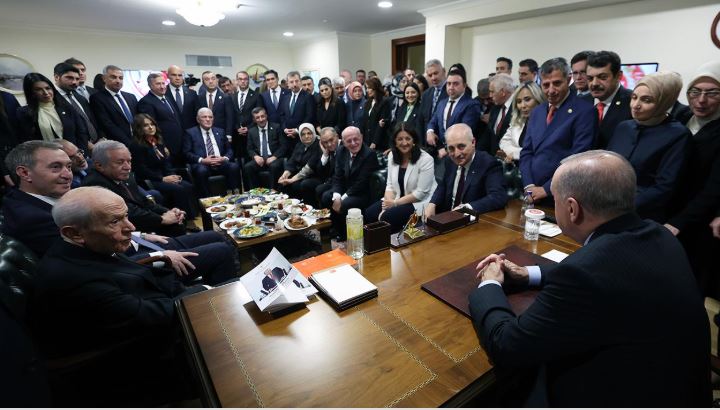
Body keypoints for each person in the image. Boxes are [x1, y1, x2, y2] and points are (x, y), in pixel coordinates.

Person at [470, 150, 710, 407]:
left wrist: (489, 283)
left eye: (555, 199)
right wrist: (529, 273)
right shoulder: (659, 234)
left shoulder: (584, 274)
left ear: (572, 208)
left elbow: (507, 346)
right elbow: (608, 274)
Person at [31, 186, 209, 403]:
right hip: (136, 361)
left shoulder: (88, 248)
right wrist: (207, 291)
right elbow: (157, 317)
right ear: (74, 233)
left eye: (126, 216)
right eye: (115, 221)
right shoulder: (74, 281)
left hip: (153, 312)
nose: (131, 227)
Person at [666, 60, 720, 298]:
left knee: (688, 284)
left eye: (712, 93)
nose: (701, 100)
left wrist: (680, 222)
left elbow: (714, 188)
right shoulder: (681, 117)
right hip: (668, 209)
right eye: (695, 92)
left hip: (697, 220)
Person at [607, 71, 689, 223]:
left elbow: (664, 187)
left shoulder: (677, 135)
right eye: (634, 97)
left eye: (646, 100)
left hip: (643, 215)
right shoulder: (624, 127)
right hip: (606, 204)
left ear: (664, 102)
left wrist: (621, 208)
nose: (636, 105)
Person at [520, 57, 595, 203]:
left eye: (557, 83)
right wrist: (529, 185)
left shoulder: (585, 111)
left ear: (568, 80)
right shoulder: (537, 112)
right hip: (531, 193)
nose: (551, 90)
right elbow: (526, 152)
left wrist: (546, 189)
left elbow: (578, 159)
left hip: (562, 194)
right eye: (546, 85)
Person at [424, 123, 506, 219]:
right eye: (451, 148)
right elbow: (443, 185)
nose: (456, 154)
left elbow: (498, 196)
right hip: (447, 217)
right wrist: (432, 203)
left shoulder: (488, 163)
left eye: (461, 146)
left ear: (473, 142)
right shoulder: (449, 160)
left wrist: (467, 208)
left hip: (471, 221)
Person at [365, 123, 436, 232]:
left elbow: (420, 193)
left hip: (418, 202)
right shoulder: (392, 156)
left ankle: (391, 243)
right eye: (400, 139)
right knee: (370, 213)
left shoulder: (426, 159)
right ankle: (375, 242)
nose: (404, 143)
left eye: (408, 138)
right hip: (397, 198)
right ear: (395, 141)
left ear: (414, 140)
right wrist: (387, 204)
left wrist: (394, 204)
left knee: (387, 217)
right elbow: (390, 185)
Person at [129, 113, 196, 218]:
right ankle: (181, 219)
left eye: (152, 124)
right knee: (179, 189)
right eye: (146, 125)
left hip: (163, 176)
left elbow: (166, 163)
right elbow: (141, 170)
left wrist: (172, 175)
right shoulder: (136, 145)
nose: (151, 127)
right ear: (139, 128)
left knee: (188, 186)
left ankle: (191, 217)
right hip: (150, 179)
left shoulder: (157, 141)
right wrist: (163, 179)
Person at [321, 126, 380, 241]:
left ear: (361, 137)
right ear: (343, 142)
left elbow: (361, 183)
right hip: (347, 189)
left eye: (356, 139)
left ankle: (345, 235)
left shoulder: (369, 154)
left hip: (362, 193)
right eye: (349, 141)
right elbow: (338, 176)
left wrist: (342, 198)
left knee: (345, 203)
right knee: (326, 196)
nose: (353, 143)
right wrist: (337, 196)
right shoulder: (341, 151)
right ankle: (336, 229)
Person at [16, 72, 89, 150]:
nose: (46, 93)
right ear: (31, 93)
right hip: (45, 154)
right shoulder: (24, 113)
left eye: (48, 88)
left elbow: (81, 132)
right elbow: (27, 140)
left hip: (74, 153)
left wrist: (80, 152)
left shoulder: (66, 107)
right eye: (38, 89)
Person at [183, 108, 241, 198]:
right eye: (204, 117)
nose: (208, 119)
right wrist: (202, 160)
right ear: (198, 119)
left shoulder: (220, 131)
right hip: (203, 164)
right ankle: (206, 199)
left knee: (234, 167)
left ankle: (234, 196)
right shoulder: (190, 133)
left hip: (221, 163)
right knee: (201, 171)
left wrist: (224, 158)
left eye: (210, 117)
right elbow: (187, 153)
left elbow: (229, 150)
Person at [426, 67, 482, 159]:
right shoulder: (442, 103)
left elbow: (464, 132)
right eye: (449, 84)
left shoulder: (471, 105)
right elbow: (433, 121)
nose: (451, 87)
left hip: (460, 153)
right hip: (440, 152)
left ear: (464, 85)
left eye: (455, 84)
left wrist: (447, 149)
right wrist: (430, 131)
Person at [583, 51, 633, 149]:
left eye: (602, 77)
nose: (594, 83)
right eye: (590, 78)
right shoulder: (581, 102)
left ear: (618, 76)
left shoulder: (632, 103)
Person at [137, 73, 185, 166]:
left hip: (178, 146)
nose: (162, 86)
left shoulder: (168, 98)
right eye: (158, 84)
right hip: (165, 148)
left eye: (163, 83)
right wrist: (161, 146)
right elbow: (150, 128)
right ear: (150, 85)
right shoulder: (146, 102)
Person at [53, 62, 100, 148]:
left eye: (77, 79)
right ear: (57, 77)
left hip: (96, 143)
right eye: (69, 78)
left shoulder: (80, 98)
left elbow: (91, 120)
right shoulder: (52, 99)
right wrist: (86, 143)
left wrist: (100, 138)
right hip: (74, 147)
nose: (74, 82)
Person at [89, 65, 138, 146]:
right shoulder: (97, 98)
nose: (118, 81)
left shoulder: (131, 97)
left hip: (138, 141)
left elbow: (138, 119)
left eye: (121, 78)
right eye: (113, 77)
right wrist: (129, 143)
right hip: (117, 144)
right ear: (104, 78)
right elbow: (107, 124)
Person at [498, 82, 546, 162]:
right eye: (519, 101)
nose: (522, 105)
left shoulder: (548, 121)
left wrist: (516, 154)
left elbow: (539, 151)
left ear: (538, 99)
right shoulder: (517, 120)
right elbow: (503, 142)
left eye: (527, 99)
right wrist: (519, 153)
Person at [244, 107, 287, 189]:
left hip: (275, 158)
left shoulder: (276, 127)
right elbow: (249, 149)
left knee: (274, 166)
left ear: (266, 116)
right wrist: (255, 156)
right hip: (260, 159)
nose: (261, 119)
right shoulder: (251, 131)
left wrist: (274, 157)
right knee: (248, 167)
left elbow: (284, 146)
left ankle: (273, 192)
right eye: (257, 117)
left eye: (262, 116)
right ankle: (255, 192)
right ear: (254, 120)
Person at [277, 123, 321, 197]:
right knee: (282, 183)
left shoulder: (318, 145)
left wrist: (291, 180)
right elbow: (292, 161)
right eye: (303, 134)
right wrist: (285, 175)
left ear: (313, 133)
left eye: (309, 133)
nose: (306, 136)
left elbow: (309, 168)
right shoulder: (300, 144)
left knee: (296, 185)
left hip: (314, 175)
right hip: (300, 174)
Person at [279, 71, 315, 151]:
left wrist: (297, 130)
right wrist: (285, 129)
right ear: (288, 84)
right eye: (291, 82)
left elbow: (309, 116)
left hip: (302, 135)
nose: (294, 84)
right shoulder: (285, 97)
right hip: (287, 136)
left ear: (300, 81)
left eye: (296, 81)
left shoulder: (308, 96)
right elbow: (282, 115)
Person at [480, 73, 514, 154]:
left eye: (492, 92)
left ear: (503, 92)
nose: (490, 95)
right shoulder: (495, 107)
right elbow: (488, 135)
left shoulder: (517, 107)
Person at [165, 65, 201, 130]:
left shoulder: (192, 93)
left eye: (180, 75)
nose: (177, 78)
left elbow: (197, 114)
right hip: (170, 132)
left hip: (190, 132)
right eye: (174, 75)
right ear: (168, 76)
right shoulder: (163, 93)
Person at [361, 77, 391, 151]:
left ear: (376, 88)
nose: (367, 90)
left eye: (369, 88)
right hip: (367, 140)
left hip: (379, 142)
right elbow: (365, 122)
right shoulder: (368, 102)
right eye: (366, 88)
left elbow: (382, 123)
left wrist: (375, 142)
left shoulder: (384, 102)